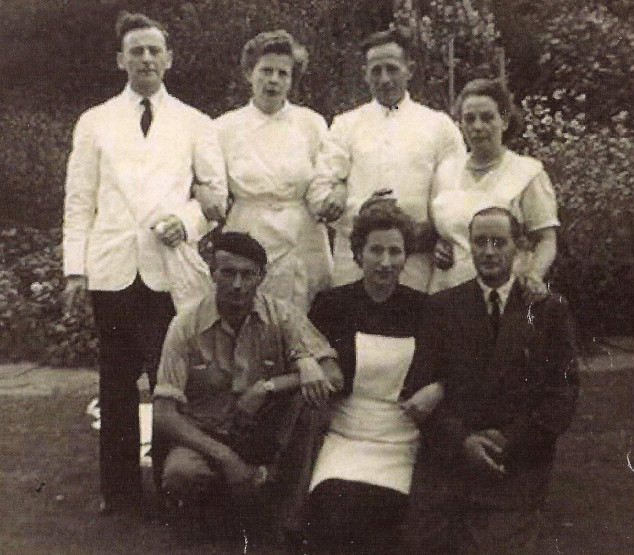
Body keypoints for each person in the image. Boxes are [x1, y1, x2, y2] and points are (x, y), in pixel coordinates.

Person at [61, 12, 227, 515]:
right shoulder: (94, 121)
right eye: (136, 51)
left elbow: (217, 196)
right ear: (121, 60)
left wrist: (187, 220)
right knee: (114, 385)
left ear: (169, 58)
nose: (147, 59)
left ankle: (171, 487)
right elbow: (78, 200)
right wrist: (75, 269)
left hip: (167, 271)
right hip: (112, 270)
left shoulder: (196, 122)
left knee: (169, 386)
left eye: (155, 50)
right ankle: (119, 495)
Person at [409, 207, 579, 554]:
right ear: (469, 246)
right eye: (480, 242)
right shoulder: (443, 308)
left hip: (516, 462)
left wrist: (508, 440)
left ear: (518, 247)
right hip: (452, 460)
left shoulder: (547, 310)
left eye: (498, 242)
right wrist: (464, 441)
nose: (488, 251)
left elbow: (562, 396)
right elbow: (417, 391)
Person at [153, 231, 342, 540]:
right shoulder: (185, 326)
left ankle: (286, 520)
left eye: (247, 274)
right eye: (228, 273)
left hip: (266, 433)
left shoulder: (282, 315)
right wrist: (226, 459)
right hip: (209, 435)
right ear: (212, 273)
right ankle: (222, 514)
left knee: (313, 398)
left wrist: (268, 387)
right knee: (180, 474)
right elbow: (163, 412)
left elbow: (333, 375)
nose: (238, 284)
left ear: (262, 277)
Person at [306, 197, 444, 554]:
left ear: (406, 257)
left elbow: (448, 369)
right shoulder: (331, 305)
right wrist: (312, 364)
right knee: (332, 515)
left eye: (395, 252)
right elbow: (304, 354)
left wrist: (437, 389)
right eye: (376, 250)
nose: (385, 262)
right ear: (358, 253)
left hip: (400, 438)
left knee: (383, 524)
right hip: (344, 436)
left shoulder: (423, 309)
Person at [314, 28, 465, 292]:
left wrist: (442, 236)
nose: (384, 79)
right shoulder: (345, 125)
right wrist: (360, 211)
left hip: (417, 260)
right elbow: (320, 192)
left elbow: (455, 196)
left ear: (410, 69)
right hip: (354, 261)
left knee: (412, 326)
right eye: (376, 70)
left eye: (392, 69)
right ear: (365, 74)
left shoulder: (438, 126)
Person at [208, 30, 333, 313]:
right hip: (248, 232)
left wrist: (328, 200)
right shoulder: (223, 128)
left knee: (302, 321)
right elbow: (210, 185)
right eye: (265, 71)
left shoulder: (312, 124)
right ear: (249, 74)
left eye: (282, 73)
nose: (273, 80)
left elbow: (324, 181)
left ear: (292, 80)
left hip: (302, 237)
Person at [429, 78, 559, 294]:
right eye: (469, 119)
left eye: (487, 118)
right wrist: (439, 246)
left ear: (505, 121)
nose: (478, 127)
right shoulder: (445, 171)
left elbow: (546, 239)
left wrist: (533, 276)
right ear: (460, 124)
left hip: (503, 296)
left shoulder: (527, 173)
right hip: (448, 294)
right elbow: (443, 232)